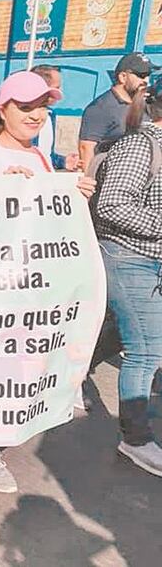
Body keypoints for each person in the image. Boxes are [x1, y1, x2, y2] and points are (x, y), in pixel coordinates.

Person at [0, 71, 96, 494]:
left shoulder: (39, 159)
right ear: (3, 110)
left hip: (31, 285)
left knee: (22, 364)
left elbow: (49, 223)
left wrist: (74, 196)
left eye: (42, 106)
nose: (37, 115)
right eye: (26, 106)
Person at [93, 86, 162, 477]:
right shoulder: (140, 145)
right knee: (147, 350)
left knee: (125, 334)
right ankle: (135, 438)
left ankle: (72, 376)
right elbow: (112, 203)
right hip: (129, 257)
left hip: (150, 258)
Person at [79, 52, 157, 170]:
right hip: (113, 177)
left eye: (148, 75)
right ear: (123, 77)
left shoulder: (147, 103)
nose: (146, 80)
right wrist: (90, 182)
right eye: (141, 75)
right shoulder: (100, 108)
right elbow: (86, 148)